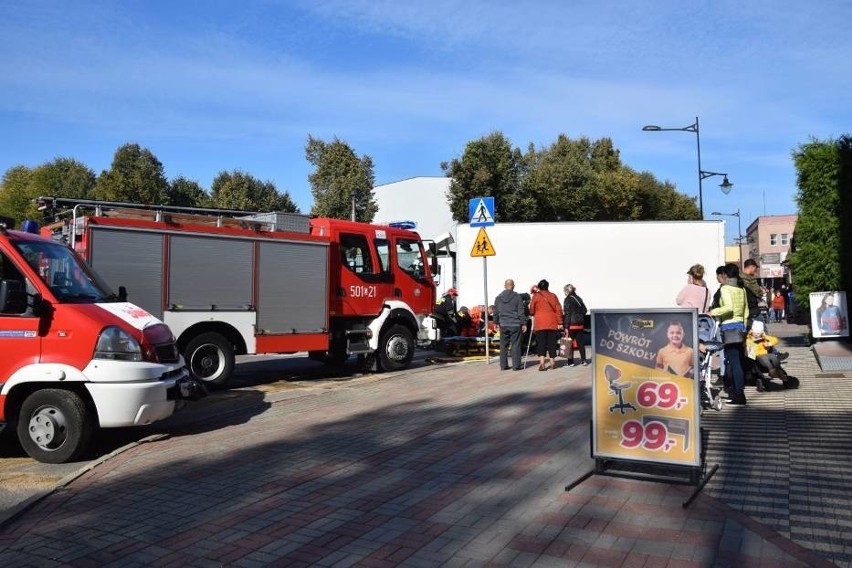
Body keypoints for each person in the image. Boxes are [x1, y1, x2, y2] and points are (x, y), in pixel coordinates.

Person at [710, 263, 750, 405]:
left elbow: (728, 308)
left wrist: (713, 312)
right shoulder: (741, 289)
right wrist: (744, 327)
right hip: (740, 327)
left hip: (729, 327)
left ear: (725, 275)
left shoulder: (726, 288)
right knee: (737, 361)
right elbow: (746, 312)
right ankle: (736, 393)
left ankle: (739, 394)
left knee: (734, 362)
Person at [528, 279, 563, 371]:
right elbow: (558, 309)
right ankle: (552, 362)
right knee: (552, 342)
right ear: (548, 286)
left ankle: (542, 363)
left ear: (539, 287)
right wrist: (560, 322)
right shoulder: (553, 296)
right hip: (552, 322)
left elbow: (531, 310)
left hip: (540, 323)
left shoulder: (536, 296)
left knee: (541, 343)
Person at [494, 279, 527, 371]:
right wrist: (523, 323)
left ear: (505, 286)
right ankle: (516, 366)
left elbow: (496, 312)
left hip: (503, 324)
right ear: (513, 286)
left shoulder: (498, 297)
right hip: (515, 324)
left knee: (503, 345)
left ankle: (503, 365)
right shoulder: (517, 297)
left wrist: (496, 322)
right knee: (515, 344)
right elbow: (521, 311)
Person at [745, 320, 789, 384]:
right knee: (764, 359)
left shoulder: (764, 337)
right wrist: (753, 343)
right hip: (757, 356)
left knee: (773, 356)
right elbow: (748, 348)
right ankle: (772, 371)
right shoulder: (749, 339)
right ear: (752, 332)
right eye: (754, 333)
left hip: (765, 354)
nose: (756, 335)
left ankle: (779, 370)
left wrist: (769, 343)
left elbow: (775, 340)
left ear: (761, 333)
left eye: (758, 333)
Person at [562, 284, 589, 366]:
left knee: (569, 343)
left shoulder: (567, 300)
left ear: (567, 291)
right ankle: (584, 360)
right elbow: (584, 310)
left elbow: (567, 314)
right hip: (580, 324)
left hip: (571, 325)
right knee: (581, 343)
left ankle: (571, 362)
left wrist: (566, 326)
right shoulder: (579, 298)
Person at [741, 259, 764, 330]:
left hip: (745, 312)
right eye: (755, 268)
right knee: (762, 334)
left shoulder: (740, 279)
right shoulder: (750, 280)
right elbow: (759, 293)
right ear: (751, 267)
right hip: (753, 310)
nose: (755, 270)